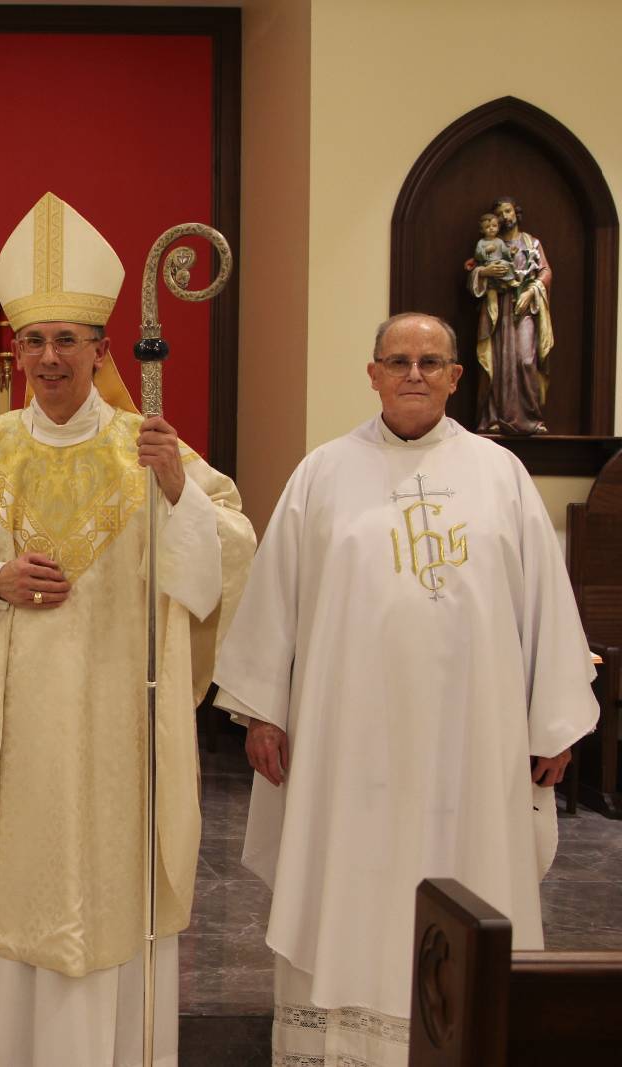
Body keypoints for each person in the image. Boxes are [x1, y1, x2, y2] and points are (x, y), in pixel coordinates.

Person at [0, 192, 256, 1067]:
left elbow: (229, 553)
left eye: (69, 338)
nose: (50, 355)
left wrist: (177, 488)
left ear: (104, 348)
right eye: (34, 339)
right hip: (6, 729)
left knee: (108, 892)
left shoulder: (150, 448)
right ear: (15, 349)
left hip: (118, 726)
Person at [212, 312, 598, 1067]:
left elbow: (546, 604)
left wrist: (553, 723)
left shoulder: (502, 476)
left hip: (473, 745)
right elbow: (275, 601)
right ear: (373, 373)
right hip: (347, 743)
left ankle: (462, 1037)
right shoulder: (322, 473)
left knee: (469, 876)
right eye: (398, 360)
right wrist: (262, 710)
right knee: (346, 880)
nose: (414, 373)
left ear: (458, 376)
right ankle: (346, 1045)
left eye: (430, 361)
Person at [467, 196, 553, 434]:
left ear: (516, 212)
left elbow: (545, 271)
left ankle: (531, 419)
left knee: (526, 360)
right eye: (500, 213)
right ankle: (494, 418)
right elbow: (473, 275)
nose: (505, 217)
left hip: (525, 308)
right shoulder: (488, 243)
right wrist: (484, 271)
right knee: (498, 363)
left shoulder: (531, 243)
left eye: (508, 211)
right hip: (498, 311)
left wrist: (532, 291)